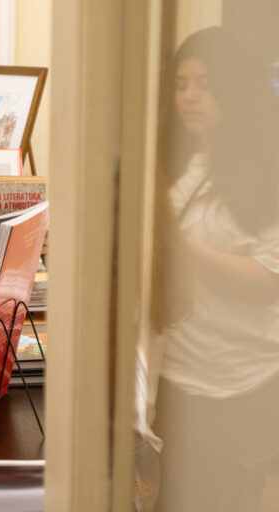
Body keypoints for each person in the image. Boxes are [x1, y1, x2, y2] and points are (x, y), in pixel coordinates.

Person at [144, 26, 279, 511]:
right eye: (182, 84)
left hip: (239, 383)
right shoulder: (172, 161)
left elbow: (268, 281)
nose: (190, 96)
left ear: (235, 87)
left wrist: (178, 246)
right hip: (174, 376)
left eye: (205, 83)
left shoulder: (267, 171)